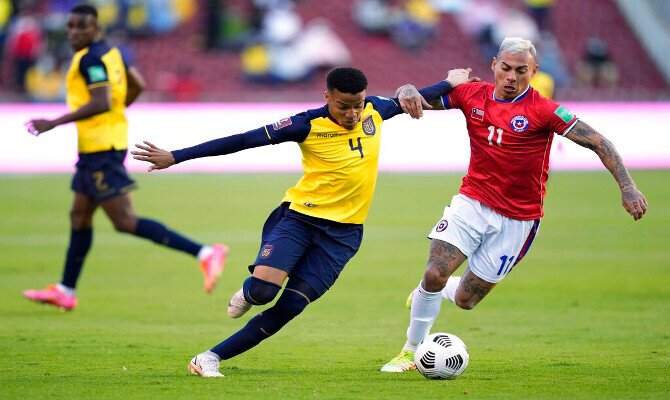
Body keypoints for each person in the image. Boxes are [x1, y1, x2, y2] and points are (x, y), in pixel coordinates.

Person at [131, 66, 476, 377]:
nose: (353, 113)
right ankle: (249, 291)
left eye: (357, 104)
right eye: (344, 106)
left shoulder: (376, 110)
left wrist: (450, 81)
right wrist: (176, 156)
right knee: (264, 292)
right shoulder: (305, 124)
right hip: (300, 220)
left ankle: (210, 358)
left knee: (292, 305)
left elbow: (417, 95)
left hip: (343, 236)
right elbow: (241, 141)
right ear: (327, 97)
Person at [380, 36, 648, 372]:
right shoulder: (471, 94)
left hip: (518, 219)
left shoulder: (544, 110)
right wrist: (406, 88)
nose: (511, 76)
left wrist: (628, 187)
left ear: (533, 72)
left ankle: (433, 291)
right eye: (505, 68)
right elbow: (417, 100)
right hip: (472, 201)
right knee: (434, 272)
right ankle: (411, 349)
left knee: (466, 300)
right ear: (494, 65)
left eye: (521, 71)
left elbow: (599, 142)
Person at [22, 5, 228, 311]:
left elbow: (102, 101)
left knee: (124, 221)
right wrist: (117, 112)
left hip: (101, 150)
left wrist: (53, 122)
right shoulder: (111, 52)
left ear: (97, 29)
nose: (74, 32)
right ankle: (65, 289)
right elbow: (137, 85)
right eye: (70, 27)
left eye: (82, 27)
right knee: (79, 216)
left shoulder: (91, 58)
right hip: (96, 148)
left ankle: (205, 253)